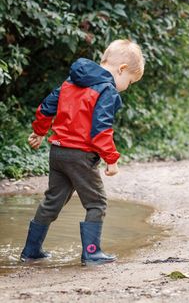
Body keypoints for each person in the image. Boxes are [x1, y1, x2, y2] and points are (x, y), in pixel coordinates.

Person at [20, 39, 145, 266]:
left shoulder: (71, 81)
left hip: (57, 152)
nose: (127, 86)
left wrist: (39, 131)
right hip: (80, 156)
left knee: (52, 202)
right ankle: (92, 252)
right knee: (96, 203)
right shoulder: (106, 89)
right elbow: (101, 130)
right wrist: (111, 159)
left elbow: (47, 105)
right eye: (130, 81)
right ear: (122, 69)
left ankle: (31, 252)